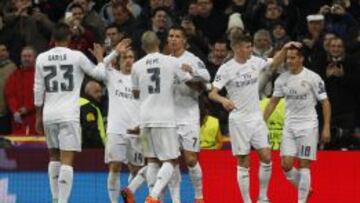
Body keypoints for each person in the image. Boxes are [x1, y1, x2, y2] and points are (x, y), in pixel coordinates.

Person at [33, 23, 119, 203]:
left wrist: (38, 116)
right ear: (69, 39)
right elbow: (100, 74)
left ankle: (55, 198)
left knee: (54, 157)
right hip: (68, 114)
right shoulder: (76, 56)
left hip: (49, 113)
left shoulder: (41, 58)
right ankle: (63, 201)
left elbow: (38, 89)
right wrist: (102, 58)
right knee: (67, 159)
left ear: (52, 40)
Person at [208, 35, 294, 203]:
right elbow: (212, 92)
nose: (250, 49)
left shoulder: (255, 61)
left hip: (256, 117)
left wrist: (285, 49)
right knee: (243, 161)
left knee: (267, 157)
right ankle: (247, 200)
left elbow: (275, 63)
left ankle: (262, 197)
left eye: (250, 46)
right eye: (247, 47)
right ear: (237, 48)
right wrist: (223, 100)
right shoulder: (226, 69)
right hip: (238, 119)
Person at [263, 45, 331, 203]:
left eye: (293, 57)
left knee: (304, 164)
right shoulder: (282, 79)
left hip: (308, 126)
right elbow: (272, 103)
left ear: (301, 59)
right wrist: (261, 122)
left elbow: (325, 102)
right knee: (286, 164)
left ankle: (301, 200)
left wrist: (326, 127)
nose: (289, 61)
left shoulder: (313, 78)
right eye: (288, 58)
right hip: (289, 126)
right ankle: (305, 188)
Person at [130, 31, 192, 203]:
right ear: (160, 42)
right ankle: (154, 196)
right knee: (171, 160)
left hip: (144, 118)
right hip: (164, 118)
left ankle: (151, 195)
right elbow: (189, 80)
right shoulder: (171, 61)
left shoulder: (136, 66)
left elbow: (135, 93)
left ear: (142, 47)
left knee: (151, 160)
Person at [166, 25, 210, 203]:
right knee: (172, 161)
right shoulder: (164, 61)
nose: (174, 39)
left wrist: (191, 72)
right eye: (171, 36)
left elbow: (206, 78)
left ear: (184, 40)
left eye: (177, 36)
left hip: (189, 116)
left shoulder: (192, 59)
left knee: (191, 160)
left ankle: (199, 196)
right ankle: (176, 200)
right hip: (169, 117)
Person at [5, 46, 37, 135]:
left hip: (35, 118)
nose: (26, 59)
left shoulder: (39, 75)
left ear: (35, 58)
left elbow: (43, 95)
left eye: (29, 56)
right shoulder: (14, 76)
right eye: (24, 56)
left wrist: (28, 108)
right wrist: (15, 110)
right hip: (18, 120)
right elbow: (9, 95)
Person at [79, 80, 105, 148]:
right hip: (91, 149)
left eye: (101, 91)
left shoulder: (87, 104)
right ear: (87, 93)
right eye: (96, 92)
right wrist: (101, 147)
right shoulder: (88, 107)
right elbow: (91, 131)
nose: (100, 94)